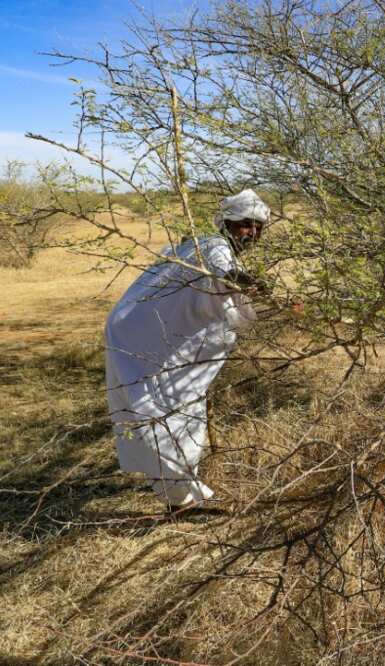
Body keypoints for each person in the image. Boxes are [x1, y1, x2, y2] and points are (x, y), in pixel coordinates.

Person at [105, 189, 271, 509]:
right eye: (245, 224)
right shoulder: (214, 247)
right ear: (227, 223)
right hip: (142, 339)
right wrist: (257, 289)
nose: (252, 233)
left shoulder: (200, 244)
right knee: (164, 410)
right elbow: (227, 274)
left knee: (171, 407)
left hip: (139, 332)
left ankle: (176, 488)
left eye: (258, 227)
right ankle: (180, 496)